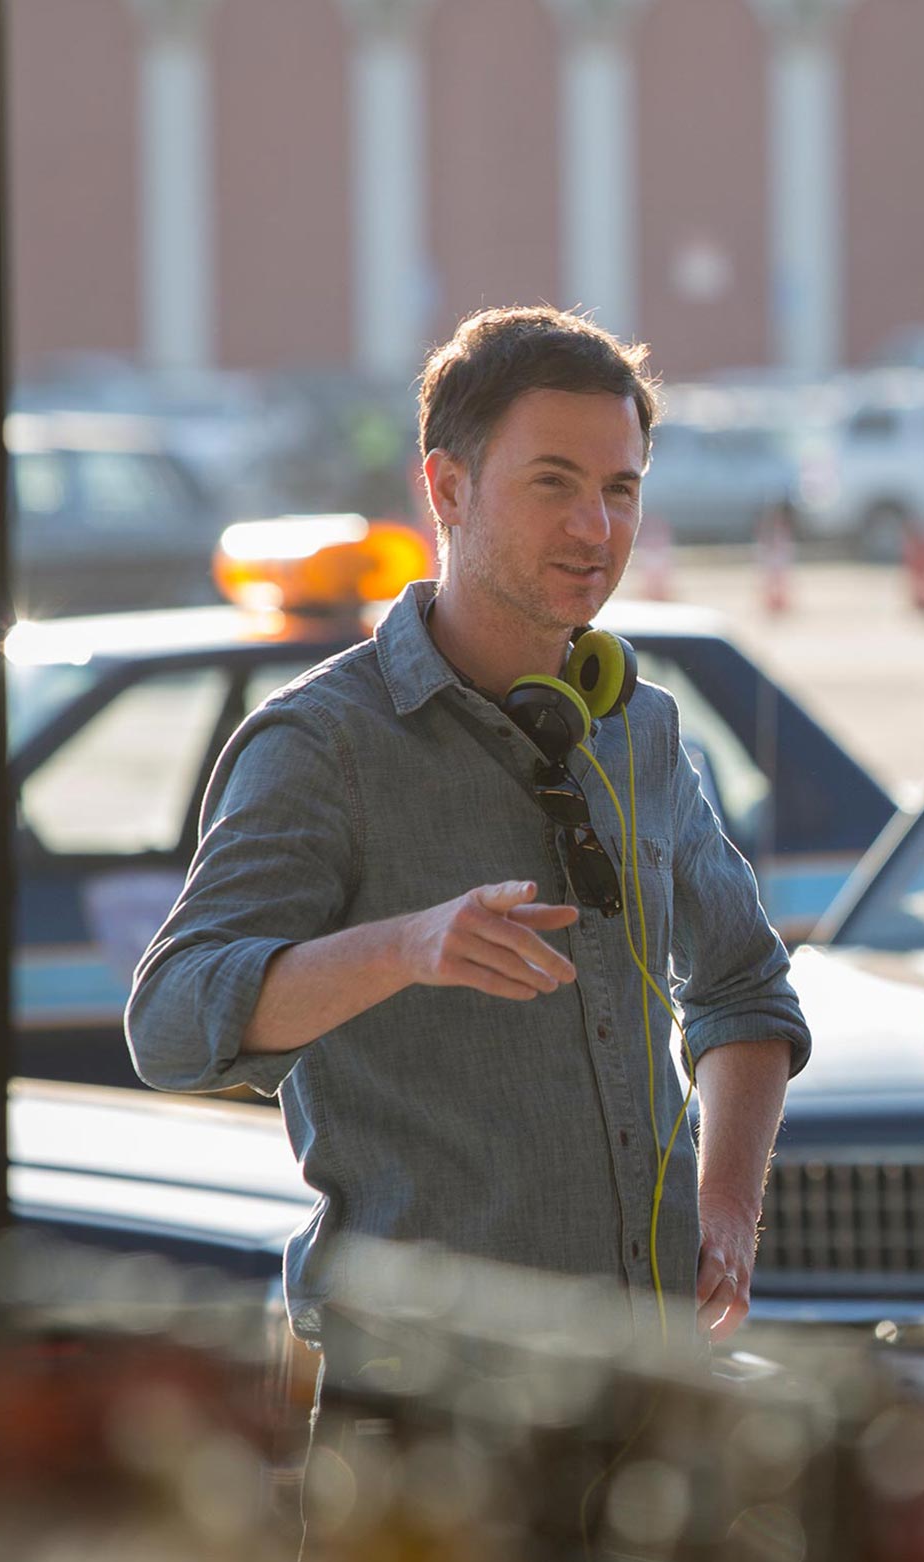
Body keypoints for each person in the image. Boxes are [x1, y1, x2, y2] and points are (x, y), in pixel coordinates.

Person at [127, 306, 808, 1362]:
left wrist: (726, 1206)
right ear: (445, 489)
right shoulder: (324, 745)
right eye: (553, 483)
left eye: (619, 489)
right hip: (425, 1422)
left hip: (650, 1398)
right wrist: (404, 948)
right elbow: (169, 1023)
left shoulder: (641, 728)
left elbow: (747, 992)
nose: (596, 528)